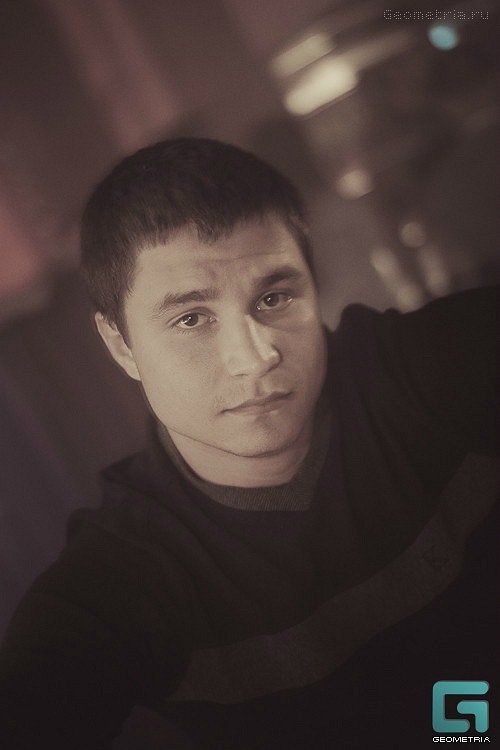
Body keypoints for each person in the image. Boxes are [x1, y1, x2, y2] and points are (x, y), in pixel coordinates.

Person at [0, 138, 497, 749]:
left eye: (274, 298)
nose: (255, 356)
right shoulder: (122, 585)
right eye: (191, 319)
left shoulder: (430, 370)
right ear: (121, 345)